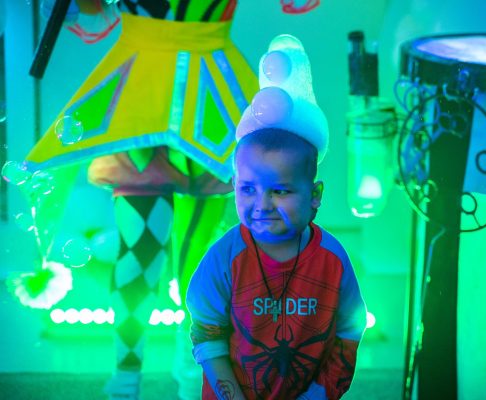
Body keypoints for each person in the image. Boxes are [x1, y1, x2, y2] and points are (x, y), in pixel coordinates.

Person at [17, 2, 321, 399]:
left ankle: (192, 375)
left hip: (209, 98)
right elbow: (93, 10)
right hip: (144, 98)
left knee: (199, 266)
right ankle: (128, 376)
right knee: (139, 257)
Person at [186, 34, 367, 400]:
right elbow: (207, 335)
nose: (262, 205)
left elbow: (350, 329)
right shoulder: (224, 258)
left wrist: (318, 394)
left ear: (314, 196)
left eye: (280, 191)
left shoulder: (332, 260)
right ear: (234, 186)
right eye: (248, 189)